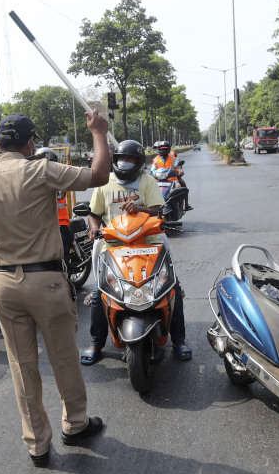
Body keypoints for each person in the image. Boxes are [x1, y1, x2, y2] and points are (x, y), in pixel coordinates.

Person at [0, 112, 110, 468]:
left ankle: (36, 444)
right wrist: (99, 133)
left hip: (3, 284)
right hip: (45, 280)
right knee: (63, 357)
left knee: (21, 365)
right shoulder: (41, 170)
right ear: (30, 143)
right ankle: (75, 424)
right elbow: (100, 175)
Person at [80, 139, 192, 365]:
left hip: (149, 240)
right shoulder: (104, 183)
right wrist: (94, 229)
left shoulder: (147, 181)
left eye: (130, 159)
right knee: (100, 292)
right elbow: (94, 213)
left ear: (139, 162)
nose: (125, 162)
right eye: (122, 158)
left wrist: (140, 209)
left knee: (172, 288)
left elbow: (158, 210)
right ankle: (96, 343)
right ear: (115, 160)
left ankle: (179, 340)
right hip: (113, 243)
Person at [34, 147, 72, 261]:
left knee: (61, 259)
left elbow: (59, 194)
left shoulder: (56, 178)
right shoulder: (38, 178)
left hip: (58, 224)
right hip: (47, 225)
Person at [151, 140, 192, 210]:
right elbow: (152, 171)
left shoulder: (173, 157)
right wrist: (151, 175)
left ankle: (186, 205)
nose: (163, 150)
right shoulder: (155, 160)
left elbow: (178, 165)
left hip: (173, 179)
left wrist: (180, 171)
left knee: (183, 185)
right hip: (158, 180)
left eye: (165, 149)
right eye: (161, 149)